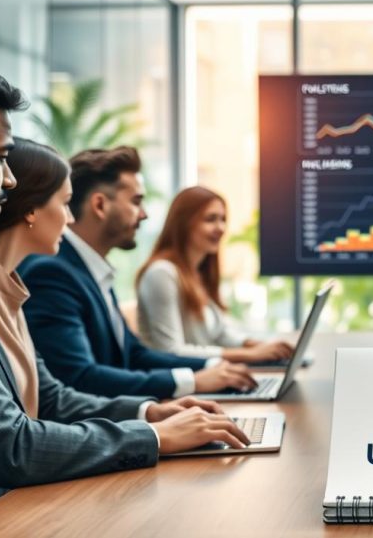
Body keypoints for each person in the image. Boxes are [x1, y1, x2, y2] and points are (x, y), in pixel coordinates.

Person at [0, 53, 248, 536]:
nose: (9, 181)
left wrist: (150, 413)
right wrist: (153, 435)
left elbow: (48, 398)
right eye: (1, 158)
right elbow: (9, 446)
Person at [19, 146, 257, 399]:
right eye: (136, 201)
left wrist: (212, 369)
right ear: (100, 205)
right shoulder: (53, 272)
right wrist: (191, 381)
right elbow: (79, 378)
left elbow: (133, 354)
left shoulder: (90, 268)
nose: (143, 214)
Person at [135, 186, 294, 362]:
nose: (221, 228)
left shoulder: (197, 272)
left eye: (223, 219)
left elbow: (219, 333)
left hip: (201, 379)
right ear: (184, 223)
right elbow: (171, 351)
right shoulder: (162, 273)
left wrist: (258, 346)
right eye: (210, 219)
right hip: (178, 385)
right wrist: (250, 355)